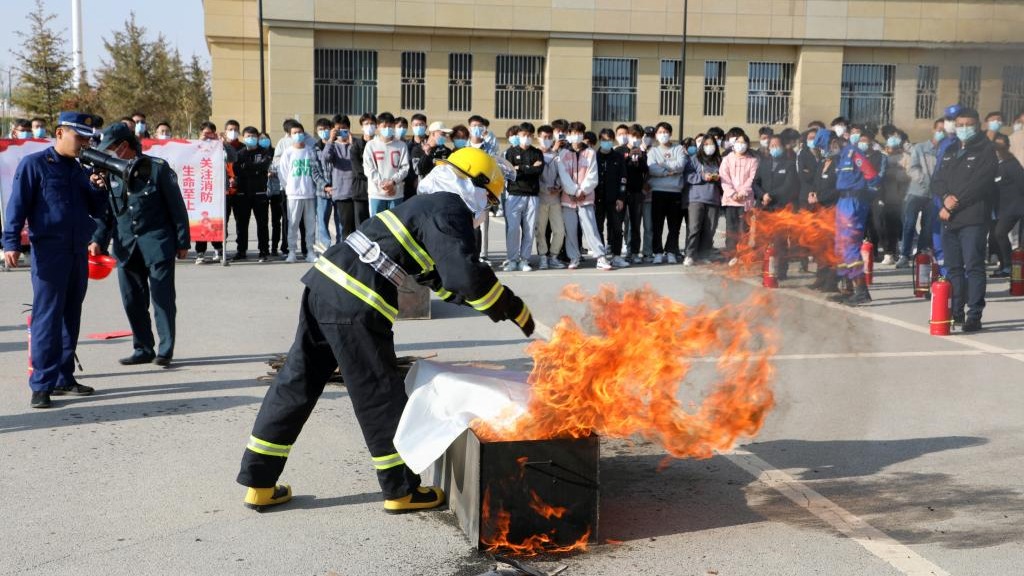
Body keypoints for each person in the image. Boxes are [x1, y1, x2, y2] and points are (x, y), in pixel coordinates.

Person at [237, 148, 534, 513]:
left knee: (296, 381)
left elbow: (439, 280)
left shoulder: (423, 205)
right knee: (379, 392)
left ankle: (259, 482)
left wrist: (490, 302)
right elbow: (464, 276)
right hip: (356, 298)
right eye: (488, 199)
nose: (485, 209)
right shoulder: (448, 206)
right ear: (473, 184)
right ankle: (400, 490)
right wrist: (507, 303)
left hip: (324, 284)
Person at [3, 112, 106, 408]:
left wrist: (98, 188)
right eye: (79, 137)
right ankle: (41, 384)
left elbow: (96, 211)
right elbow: (17, 206)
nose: (84, 143)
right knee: (47, 318)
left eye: (88, 138)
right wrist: (10, 242)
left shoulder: (80, 169)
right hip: (49, 252)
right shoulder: (35, 165)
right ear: (60, 133)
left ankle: (64, 377)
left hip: (77, 251)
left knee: (70, 315)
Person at [89, 122, 191, 366]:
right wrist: (97, 240)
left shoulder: (156, 169)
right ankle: (143, 348)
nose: (107, 154)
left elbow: (177, 207)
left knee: (162, 298)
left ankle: (165, 350)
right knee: (132, 300)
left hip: (157, 243)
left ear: (124, 146)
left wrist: (182, 240)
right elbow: (108, 214)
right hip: (126, 246)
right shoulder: (110, 172)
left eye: (111, 148)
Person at [931, 108, 997, 332]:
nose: (963, 128)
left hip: (973, 218)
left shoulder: (986, 150)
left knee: (974, 266)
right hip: (949, 218)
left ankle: (974, 315)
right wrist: (944, 199)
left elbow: (981, 184)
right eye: (960, 124)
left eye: (968, 124)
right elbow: (937, 181)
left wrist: (954, 203)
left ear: (977, 125)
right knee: (954, 268)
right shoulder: (950, 149)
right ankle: (956, 311)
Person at [833, 124, 881, 306]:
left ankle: (861, 291)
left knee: (850, 245)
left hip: (853, 202)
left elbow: (872, 176)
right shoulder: (842, 155)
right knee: (841, 245)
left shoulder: (854, 153)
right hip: (843, 201)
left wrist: (865, 194)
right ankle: (848, 288)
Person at [753, 135, 800, 280]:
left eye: (776, 145)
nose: (774, 148)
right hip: (764, 207)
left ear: (782, 146)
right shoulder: (764, 164)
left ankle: (781, 270)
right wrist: (762, 196)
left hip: (781, 208)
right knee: (763, 239)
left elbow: (789, 186)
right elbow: (755, 183)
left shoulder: (790, 165)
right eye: (771, 145)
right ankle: (766, 268)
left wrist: (770, 196)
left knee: (779, 240)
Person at [280, 122, 328, 263]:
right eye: (295, 133)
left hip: (310, 194)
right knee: (293, 224)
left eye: (300, 132)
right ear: (290, 135)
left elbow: (316, 171)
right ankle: (292, 252)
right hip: (294, 194)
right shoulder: (288, 152)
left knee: (310, 224)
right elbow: (283, 174)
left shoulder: (310, 150)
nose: (298, 135)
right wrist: (290, 188)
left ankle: (310, 251)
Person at [898, 119, 943, 268]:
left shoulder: (946, 150)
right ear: (934, 130)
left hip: (934, 195)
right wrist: (925, 181)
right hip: (916, 192)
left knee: (928, 225)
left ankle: (921, 255)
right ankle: (904, 254)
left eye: (945, 130)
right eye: (939, 130)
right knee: (909, 224)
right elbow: (913, 168)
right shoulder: (921, 148)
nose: (942, 133)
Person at [503, 122, 543, 271]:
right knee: (513, 229)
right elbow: (510, 172)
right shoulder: (510, 152)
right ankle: (512, 259)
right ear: (518, 135)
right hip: (514, 194)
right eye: (523, 135)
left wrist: (521, 168)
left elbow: (538, 171)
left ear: (532, 136)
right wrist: (529, 168)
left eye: (529, 135)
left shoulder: (537, 153)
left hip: (532, 195)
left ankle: (524, 259)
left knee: (529, 229)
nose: (526, 138)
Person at [646, 122, 688, 264]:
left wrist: (662, 166)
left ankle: (671, 251)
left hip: (675, 191)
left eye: (666, 132)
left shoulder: (679, 149)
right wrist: (669, 171)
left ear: (670, 133)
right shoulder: (653, 151)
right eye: (660, 132)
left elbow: (681, 165)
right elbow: (652, 169)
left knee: (674, 225)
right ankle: (657, 252)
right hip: (658, 192)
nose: (663, 134)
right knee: (657, 224)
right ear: (656, 135)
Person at [807, 132, 842, 291]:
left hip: (834, 209)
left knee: (832, 246)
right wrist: (812, 193)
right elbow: (815, 181)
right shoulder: (822, 162)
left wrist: (819, 196)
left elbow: (839, 188)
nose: (821, 150)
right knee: (820, 245)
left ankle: (832, 280)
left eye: (823, 147)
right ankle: (820, 277)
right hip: (820, 209)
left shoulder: (840, 162)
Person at [235, 126, 275, 261]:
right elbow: (237, 171)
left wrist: (247, 166)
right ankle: (241, 251)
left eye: (253, 136)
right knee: (241, 224)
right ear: (243, 137)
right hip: (242, 194)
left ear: (257, 137)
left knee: (262, 224)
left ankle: (264, 251)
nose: (250, 138)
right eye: (247, 136)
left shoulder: (265, 152)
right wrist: (254, 169)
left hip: (260, 193)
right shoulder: (239, 154)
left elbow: (264, 166)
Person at [719, 133, 758, 266]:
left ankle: (742, 255)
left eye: (743, 142)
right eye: (738, 142)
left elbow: (752, 179)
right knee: (731, 229)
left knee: (744, 229)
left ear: (747, 145)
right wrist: (732, 193)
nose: (740, 145)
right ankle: (730, 255)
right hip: (730, 200)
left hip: (745, 200)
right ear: (734, 144)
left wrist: (743, 192)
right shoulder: (727, 159)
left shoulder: (752, 161)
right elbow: (724, 177)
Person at [684, 134, 723, 266]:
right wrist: (702, 176)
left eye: (711, 144)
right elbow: (687, 176)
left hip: (713, 199)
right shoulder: (694, 159)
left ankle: (703, 254)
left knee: (710, 229)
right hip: (696, 198)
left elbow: (726, 178)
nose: (708, 147)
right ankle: (690, 254)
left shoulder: (719, 160)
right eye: (705, 144)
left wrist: (718, 179)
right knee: (694, 227)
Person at [321, 114, 360, 242]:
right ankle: (348, 254)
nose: (341, 132)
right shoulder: (333, 146)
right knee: (346, 228)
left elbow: (361, 160)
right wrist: (331, 140)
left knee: (359, 227)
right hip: (342, 193)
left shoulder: (356, 143)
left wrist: (352, 143)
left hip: (358, 191)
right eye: (338, 129)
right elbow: (326, 158)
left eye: (344, 129)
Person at [595, 128, 630, 268]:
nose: (606, 143)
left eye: (609, 140)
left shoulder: (618, 157)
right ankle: (601, 256)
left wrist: (621, 197)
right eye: (603, 140)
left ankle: (616, 256)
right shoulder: (593, 156)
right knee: (597, 228)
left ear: (613, 141)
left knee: (616, 228)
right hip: (597, 199)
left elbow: (623, 178)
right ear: (599, 140)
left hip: (614, 199)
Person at [991, 133, 1024, 278]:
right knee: (998, 234)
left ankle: (1009, 266)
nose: (998, 150)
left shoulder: (1012, 164)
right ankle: (1006, 265)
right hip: (1004, 208)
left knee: (1000, 233)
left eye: (1001, 146)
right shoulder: (997, 164)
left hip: (1015, 207)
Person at [364, 112, 410, 217]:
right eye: (384, 126)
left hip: (396, 194)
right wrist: (384, 185)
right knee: (376, 226)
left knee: (395, 227)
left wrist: (393, 182)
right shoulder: (370, 145)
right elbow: (369, 169)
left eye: (390, 126)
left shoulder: (401, 146)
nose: (387, 128)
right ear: (378, 127)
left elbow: (405, 168)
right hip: (376, 194)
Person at [534, 125, 566, 270]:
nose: (546, 140)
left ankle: (553, 256)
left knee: (559, 230)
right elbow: (534, 177)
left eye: (549, 137)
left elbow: (562, 174)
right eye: (543, 137)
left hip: (555, 200)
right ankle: (542, 257)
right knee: (540, 230)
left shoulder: (557, 156)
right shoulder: (534, 154)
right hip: (540, 200)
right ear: (538, 138)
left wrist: (558, 187)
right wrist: (545, 189)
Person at [194, 122, 226, 263]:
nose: (207, 137)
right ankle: (200, 252)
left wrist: (222, 144)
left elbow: (232, 158)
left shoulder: (219, 147)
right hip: (200, 189)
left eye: (210, 134)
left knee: (215, 220)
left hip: (216, 190)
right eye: (204, 134)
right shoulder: (194, 146)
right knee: (201, 221)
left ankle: (218, 249)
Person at [618, 124, 649, 265]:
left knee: (635, 224)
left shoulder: (643, 152)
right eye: (633, 136)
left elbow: (645, 170)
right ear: (628, 136)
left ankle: (634, 251)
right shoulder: (620, 151)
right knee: (620, 222)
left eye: (638, 136)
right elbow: (618, 169)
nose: (635, 139)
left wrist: (640, 158)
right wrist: (628, 157)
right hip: (622, 193)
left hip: (637, 193)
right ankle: (617, 251)